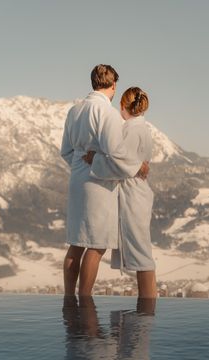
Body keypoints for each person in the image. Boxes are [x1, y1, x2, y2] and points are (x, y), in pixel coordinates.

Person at [60, 64, 149, 296]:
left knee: (76, 244)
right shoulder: (106, 112)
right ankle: (85, 298)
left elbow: (66, 152)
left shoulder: (74, 111)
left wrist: (81, 165)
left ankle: (69, 297)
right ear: (113, 85)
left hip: (77, 181)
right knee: (96, 244)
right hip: (98, 184)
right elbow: (115, 153)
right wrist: (137, 167)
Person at [84, 87, 157, 299]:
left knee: (142, 256)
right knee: (142, 252)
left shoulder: (131, 130)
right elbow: (127, 161)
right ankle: (146, 314)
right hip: (136, 193)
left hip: (133, 196)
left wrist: (95, 159)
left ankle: (146, 315)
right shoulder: (140, 128)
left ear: (124, 105)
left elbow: (120, 162)